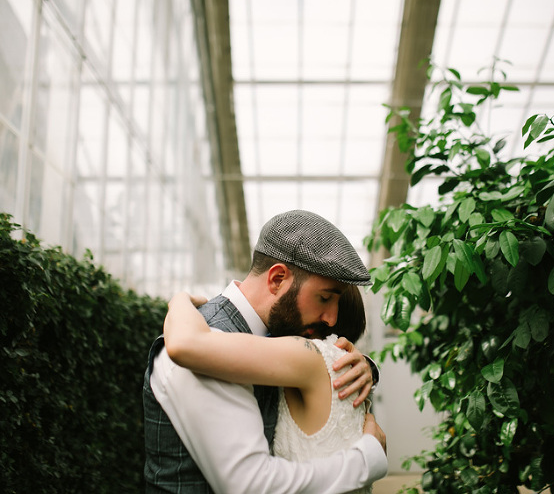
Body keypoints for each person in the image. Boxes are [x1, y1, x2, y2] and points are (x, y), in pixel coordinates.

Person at [143, 210, 388, 493]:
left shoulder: (275, 339)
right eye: (324, 297)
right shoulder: (207, 342)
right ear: (277, 279)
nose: (332, 320)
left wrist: (364, 366)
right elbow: (252, 485)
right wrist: (368, 458)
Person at [163, 283, 376, 493]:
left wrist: (179, 300)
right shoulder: (341, 363)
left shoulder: (306, 356)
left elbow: (187, 343)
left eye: (324, 298)